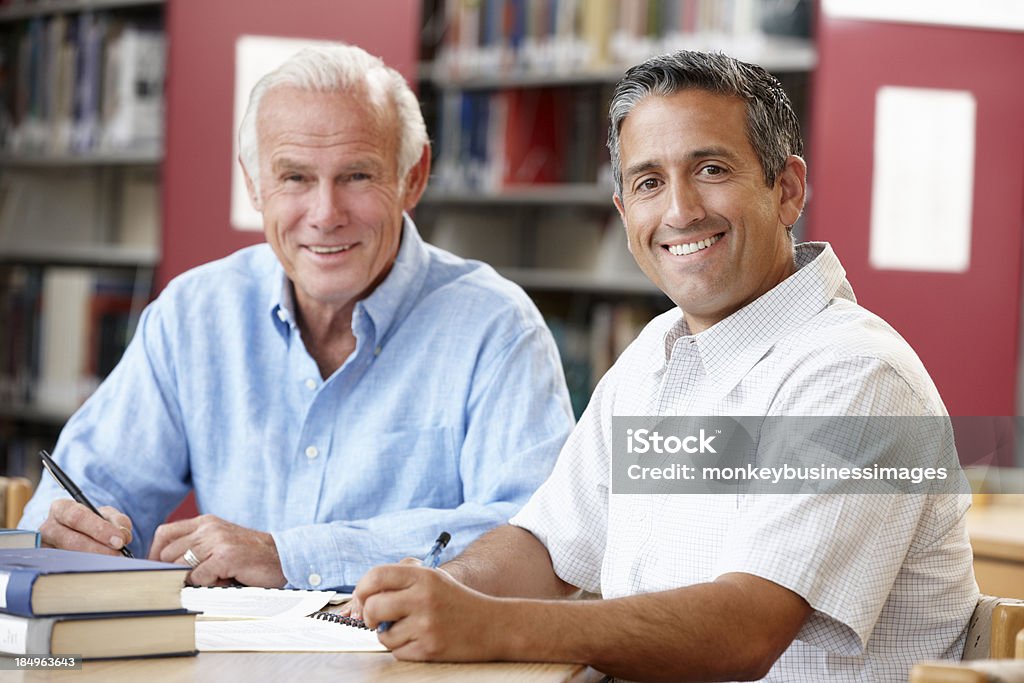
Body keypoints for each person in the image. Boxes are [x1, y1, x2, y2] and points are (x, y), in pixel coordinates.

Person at [352, 51, 978, 681]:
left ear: (787, 190)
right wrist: (439, 591)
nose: (679, 211)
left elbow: (746, 630)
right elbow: (547, 548)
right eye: (649, 182)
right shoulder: (656, 355)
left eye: (710, 169)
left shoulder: (859, 376)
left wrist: (487, 624)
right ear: (626, 215)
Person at [18, 44, 574, 590]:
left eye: (357, 175)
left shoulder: (496, 327)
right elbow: (84, 491)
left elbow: (535, 531)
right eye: (294, 178)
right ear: (254, 182)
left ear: (413, 176)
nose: (325, 214)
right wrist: (69, 534)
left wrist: (291, 556)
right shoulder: (196, 314)